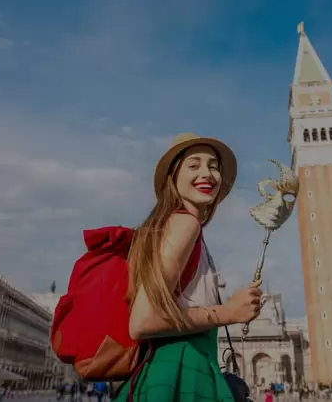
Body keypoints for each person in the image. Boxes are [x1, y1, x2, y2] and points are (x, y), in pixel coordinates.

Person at [112, 133, 283, 401]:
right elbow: (143, 321)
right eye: (193, 165)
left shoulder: (170, 226)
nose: (207, 173)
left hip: (172, 369)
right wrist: (228, 312)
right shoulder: (184, 223)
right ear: (173, 177)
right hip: (181, 372)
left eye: (213, 166)